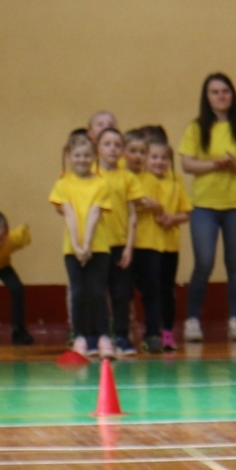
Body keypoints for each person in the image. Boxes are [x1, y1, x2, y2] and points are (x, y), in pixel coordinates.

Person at [180, 72, 236, 344]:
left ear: (232, 95)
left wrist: (235, 165)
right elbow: (187, 164)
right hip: (204, 205)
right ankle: (192, 320)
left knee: (235, 263)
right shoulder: (196, 128)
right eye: (215, 92)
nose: (221, 96)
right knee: (203, 262)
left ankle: (235, 320)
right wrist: (215, 165)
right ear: (207, 98)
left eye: (225, 91)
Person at [49, 133, 112, 358]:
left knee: (96, 292)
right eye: (77, 155)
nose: (82, 160)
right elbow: (69, 213)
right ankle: (81, 337)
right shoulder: (63, 184)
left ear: (94, 156)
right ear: (69, 157)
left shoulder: (101, 183)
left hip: (99, 247)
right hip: (72, 249)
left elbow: (95, 213)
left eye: (87, 155)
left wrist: (87, 245)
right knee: (78, 293)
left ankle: (104, 336)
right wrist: (77, 245)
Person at [133, 136, 192, 353]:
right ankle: (151, 332)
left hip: (169, 244)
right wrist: (155, 209)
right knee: (151, 289)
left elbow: (186, 212)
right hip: (146, 243)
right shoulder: (139, 179)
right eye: (154, 157)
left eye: (164, 157)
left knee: (167, 290)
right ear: (146, 159)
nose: (159, 161)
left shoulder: (175, 180)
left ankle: (167, 332)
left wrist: (172, 219)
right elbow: (137, 205)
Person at [95, 127, 143, 355]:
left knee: (121, 294)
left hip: (120, 245)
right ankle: (101, 336)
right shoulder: (91, 175)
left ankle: (122, 337)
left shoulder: (128, 178)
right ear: (98, 147)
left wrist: (129, 247)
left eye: (117, 145)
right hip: (97, 246)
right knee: (97, 293)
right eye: (107, 144)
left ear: (123, 150)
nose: (112, 149)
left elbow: (133, 213)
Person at [0, 211, 33, 344]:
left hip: (2, 266)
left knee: (17, 288)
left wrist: (26, 229)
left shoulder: (13, 239)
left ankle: (18, 330)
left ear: (6, 234)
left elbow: (24, 234)